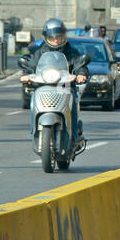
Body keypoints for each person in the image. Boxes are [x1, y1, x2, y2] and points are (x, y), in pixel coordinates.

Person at [19, 18, 89, 150]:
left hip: (65, 88)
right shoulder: (40, 52)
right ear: (46, 38)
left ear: (64, 36)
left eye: (59, 37)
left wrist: (81, 74)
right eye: (52, 38)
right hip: (43, 87)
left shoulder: (71, 52)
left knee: (73, 103)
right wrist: (26, 74)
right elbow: (31, 65)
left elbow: (79, 64)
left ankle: (73, 136)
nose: (56, 40)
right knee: (33, 102)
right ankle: (34, 130)